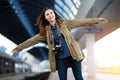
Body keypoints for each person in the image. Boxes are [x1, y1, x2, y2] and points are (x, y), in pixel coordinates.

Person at [12, 7, 108, 80]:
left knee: (79, 77)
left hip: (73, 54)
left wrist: (96, 20)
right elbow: (32, 40)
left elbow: (80, 22)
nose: (50, 15)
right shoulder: (45, 32)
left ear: (54, 14)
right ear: (45, 18)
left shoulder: (64, 23)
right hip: (60, 58)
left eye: (51, 13)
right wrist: (19, 48)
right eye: (47, 14)